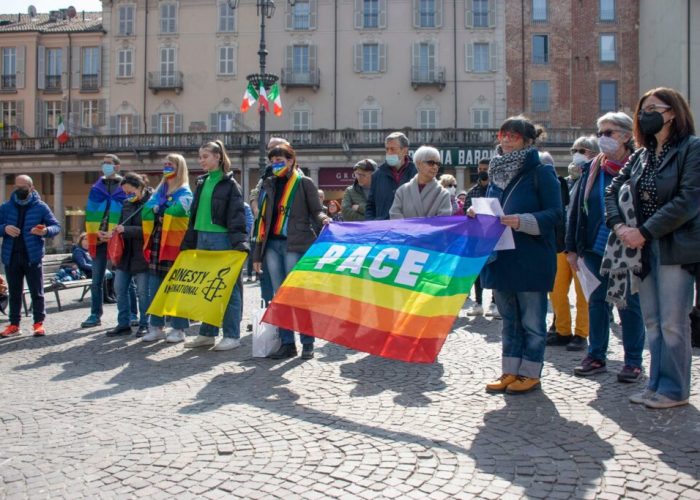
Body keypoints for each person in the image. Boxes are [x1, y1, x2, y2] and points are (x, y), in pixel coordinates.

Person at [606, 87, 700, 408]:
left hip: (676, 247)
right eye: (642, 109)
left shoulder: (692, 149)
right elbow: (612, 191)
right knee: (652, 321)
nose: (645, 115)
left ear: (672, 112)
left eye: (653, 108)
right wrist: (621, 227)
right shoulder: (641, 155)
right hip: (642, 249)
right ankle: (655, 385)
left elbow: (688, 201)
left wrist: (644, 231)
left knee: (674, 322)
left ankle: (674, 390)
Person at [470, 116, 562, 394]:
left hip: (531, 258)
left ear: (527, 140)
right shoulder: (495, 174)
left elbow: (556, 214)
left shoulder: (541, 171)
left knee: (533, 322)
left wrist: (523, 220)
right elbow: (493, 210)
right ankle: (510, 370)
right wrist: (477, 214)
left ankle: (530, 372)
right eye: (503, 133)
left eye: (514, 134)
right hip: (503, 258)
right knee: (509, 321)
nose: (507, 139)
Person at [567, 112, 646, 382]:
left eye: (608, 133)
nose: (602, 139)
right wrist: (572, 248)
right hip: (592, 246)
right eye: (599, 133)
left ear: (626, 135)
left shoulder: (640, 165)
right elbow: (577, 210)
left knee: (628, 304)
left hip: (628, 246)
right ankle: (596, 355)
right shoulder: (592, 169)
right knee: (596, 303)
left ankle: (633, 361)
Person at [253, 143, 330, 359]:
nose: (276, 164)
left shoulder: (304, 183)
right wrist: (257, 254)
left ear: (291, 161)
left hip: (295, 243)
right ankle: (287, 343)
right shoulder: (268, 184)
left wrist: (324, 219)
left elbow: (316, 210)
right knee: (280, 297)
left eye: (281, 160)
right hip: (272, 245)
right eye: (273, 161)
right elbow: (262, 221)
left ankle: (307, 342)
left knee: (299, 294)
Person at [181, 140, 249, 351]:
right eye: (200, 157)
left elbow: (237, 217)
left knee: (227, 288)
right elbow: (194, 216)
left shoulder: (231, 185)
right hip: (202, 238)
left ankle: (231, 335)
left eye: (205, 157)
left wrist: (239, 243)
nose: (201, 160)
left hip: (222, 240)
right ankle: (207, 333)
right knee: (205, 288)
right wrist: (188, 242)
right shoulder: (201, 182)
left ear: (218, 157)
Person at [547, 136, 598, 351]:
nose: (576, 153)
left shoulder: (596, 179)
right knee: (556, 290)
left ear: (593, 154)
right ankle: (562, 330)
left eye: (582, 150)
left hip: (583, 244)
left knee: (582, 293)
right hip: (561, 242)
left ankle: (581, 333)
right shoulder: (566, 181)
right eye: (574, 149)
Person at [141, 154, 193, 343]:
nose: (166, 167)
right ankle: (156, 326)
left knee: (177, 289)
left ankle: (179, 329)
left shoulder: (185, 192)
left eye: (170, 164)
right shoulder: (159, 191)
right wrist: (161, 209)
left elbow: (178, 211)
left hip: (175, 246)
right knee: (154, 287)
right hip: (157, 242)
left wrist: (159, 209)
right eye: (165, 164)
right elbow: (147, 210)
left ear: (179, 168)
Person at [0, 175, 61, 337]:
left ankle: (38, 324)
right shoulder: (6, 207)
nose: (19, 190)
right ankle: (14, 325)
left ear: (31, 188)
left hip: (32, 255)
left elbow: (56, 226)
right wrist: (4, 228)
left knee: (37, 292)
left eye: (23, 187)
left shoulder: (41, 207)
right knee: (14, 292)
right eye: (16, 187)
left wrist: (45, 231)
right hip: (11, 255)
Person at [80, 154, 127, 328]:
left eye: (109, 163)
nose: (105, 166)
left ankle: (130, 314)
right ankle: (94, 314)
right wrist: (95, 232)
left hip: (118, 237)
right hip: (98, 238)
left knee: (125, 278)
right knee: (96, 280)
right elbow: (91, 213)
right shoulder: (96, 188)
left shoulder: (125, 186)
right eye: (104, 163)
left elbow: (128, 213)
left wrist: (114, 233)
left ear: (117, 166)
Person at [107, 172, 153, 337]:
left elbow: (151, 231)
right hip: (125, 254)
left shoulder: (151, 203)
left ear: (140, 187)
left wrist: (126, 230)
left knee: (143, 292)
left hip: (143, 254)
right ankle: (123, 324)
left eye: (130, 192)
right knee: (119, 288)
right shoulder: (126, 204)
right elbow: (121, 224)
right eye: (125, 193)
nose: (127, 195)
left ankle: (144, 324)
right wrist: (114, 232)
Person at [464, 158, 498, 317]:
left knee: (494, 270)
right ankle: (478, 302)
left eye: (485, 168)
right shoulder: (472, 192)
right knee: (476, 272)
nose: (482, 171)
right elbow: (466, 215)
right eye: (480, 168)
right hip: (476, 237)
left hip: (493, 238)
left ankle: (494, 302)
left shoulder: (497, 190)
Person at [389, 145, 452, 219]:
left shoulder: (443, 194)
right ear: (419, 163)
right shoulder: (402, 191)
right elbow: (395, 215)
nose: (435, 167)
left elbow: (443, 222)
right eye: (431, 163)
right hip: (405, 230)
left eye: (438, 164)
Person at [365, 132, 417, 220]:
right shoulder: (377, 176)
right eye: (387, 149)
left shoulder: (417, 173)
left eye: (393, 149)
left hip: (410, 229)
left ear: (404, 150)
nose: (389, 152)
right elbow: (370, 206)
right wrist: (373, 223)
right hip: (384, 230)